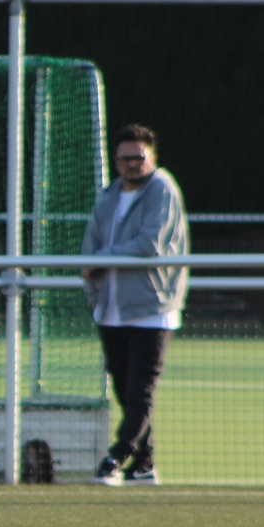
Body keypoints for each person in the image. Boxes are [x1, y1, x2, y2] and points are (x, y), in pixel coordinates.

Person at [81, 123, 189, 486]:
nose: (131, 164)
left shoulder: (162, 188)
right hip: (112, 310)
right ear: (115, 160)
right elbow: (90, 246)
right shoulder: (109, 194)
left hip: (152, 310)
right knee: (124, 391)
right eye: (125, 158)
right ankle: (144, 466)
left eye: (138, 158)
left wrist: (103, 257)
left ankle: (115, 458)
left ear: (152, 158)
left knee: (139, 391)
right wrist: (93, 283)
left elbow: (150, 245)